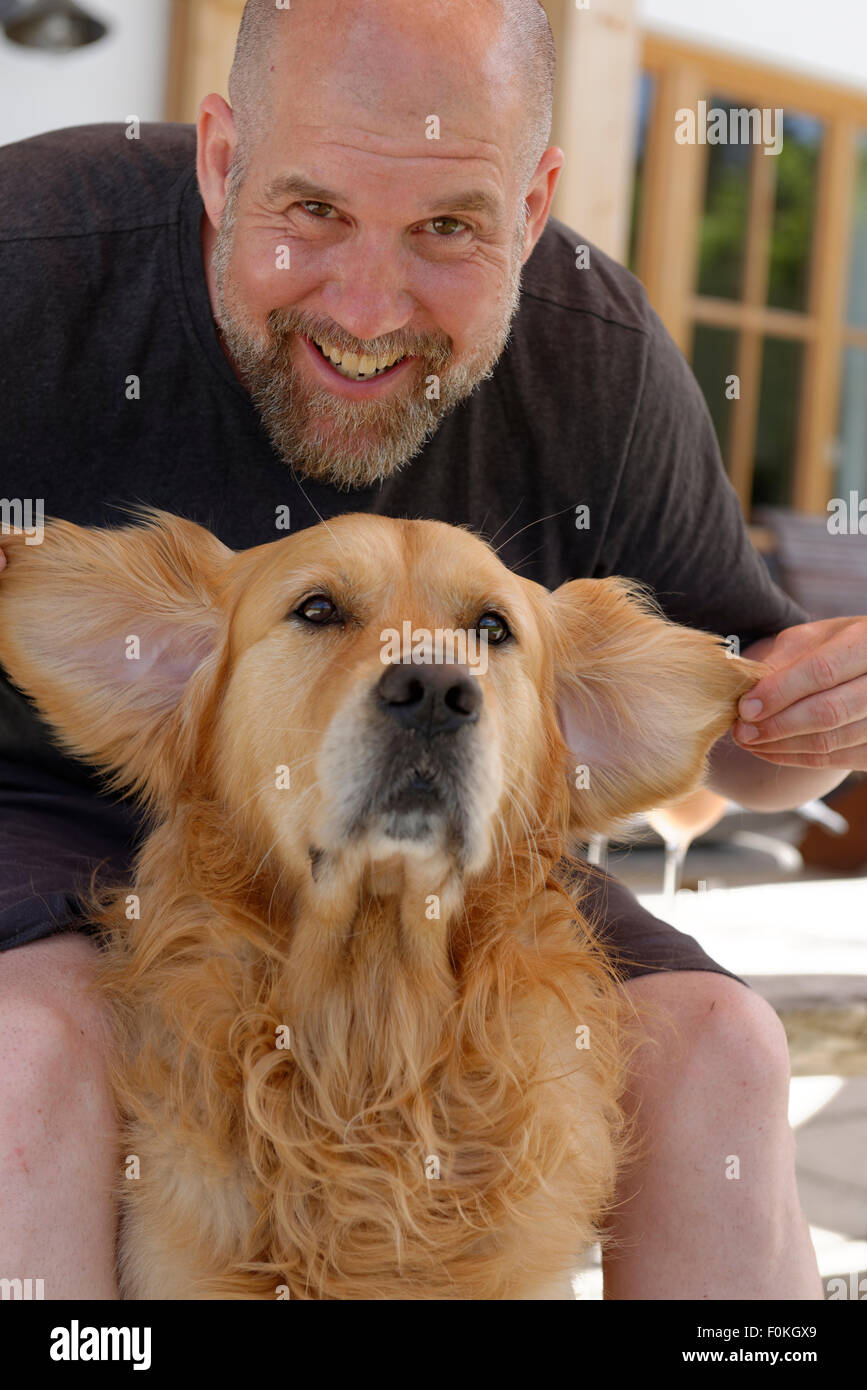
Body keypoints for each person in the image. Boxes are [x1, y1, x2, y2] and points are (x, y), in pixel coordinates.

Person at [1, 0, 860, 1300]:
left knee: (724, 1048)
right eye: (315, 212)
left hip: (472, 847)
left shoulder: (601, 368)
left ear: (531, 209)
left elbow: (735, 749)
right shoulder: (31, 258)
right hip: (36, 796)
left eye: (448, 227)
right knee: (31, 1050)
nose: (367, 303)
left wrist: (810, 727)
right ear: (222, 159)